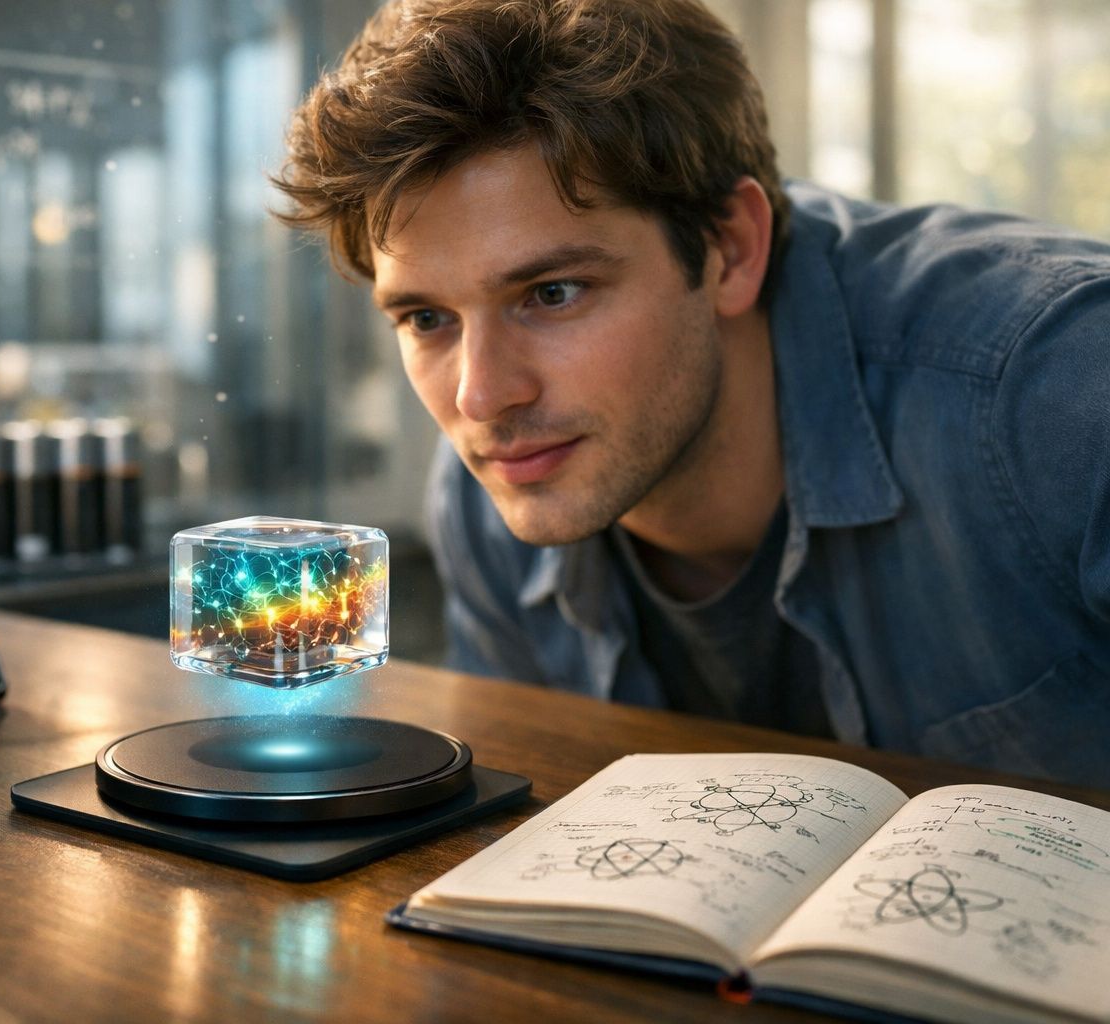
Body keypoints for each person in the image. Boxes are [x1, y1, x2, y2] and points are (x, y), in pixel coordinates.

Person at [272, 0, 1110, 787]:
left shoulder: (1056, 387)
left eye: (553, 292)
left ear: (732, 249)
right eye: (426, 318)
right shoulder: (488, 493)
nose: (483, 397)